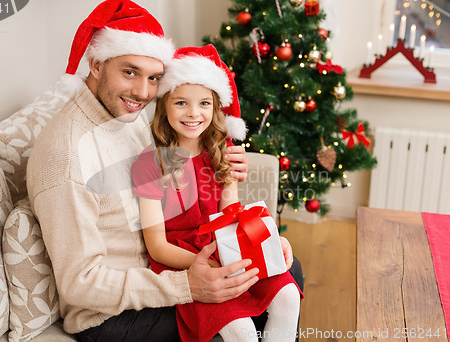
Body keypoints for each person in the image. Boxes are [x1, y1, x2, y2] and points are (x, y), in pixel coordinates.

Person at [27, 1, 303, 341]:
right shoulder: (67, 157)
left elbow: (179, 175)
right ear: (96, 64)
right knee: (239, 323)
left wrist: (248, 233)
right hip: (113, 315)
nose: (143, 92)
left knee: (286, 271)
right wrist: (189, 285)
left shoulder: (123, 113)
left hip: (170, 264)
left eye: (154, 78)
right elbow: (80, 284)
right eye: (130, 72)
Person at [131, 45, 302, 342]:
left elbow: (231, 214)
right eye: (181, 103)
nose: (194, 113)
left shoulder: (219, 152)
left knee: (288, 296)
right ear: (164, 105)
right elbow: (157, 246)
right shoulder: (150, 163)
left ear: (215, 107)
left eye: (204, 104)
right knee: (241, 331)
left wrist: (268, 240)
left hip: (225, 246)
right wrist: (209, 266)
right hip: (183, 259)